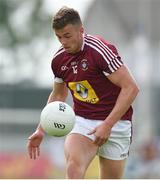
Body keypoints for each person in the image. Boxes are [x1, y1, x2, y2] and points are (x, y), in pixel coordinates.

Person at [27, 6, 139, 179]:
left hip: (117, 123)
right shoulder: (58, 60)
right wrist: (41, 129)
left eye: (67, 36)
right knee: (73, 169)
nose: (63, 42)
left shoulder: (99, 51)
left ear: (81, 31)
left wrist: (107, 125)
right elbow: (58, 95)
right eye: (59, 37)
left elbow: (131, 88)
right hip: (83, 121)